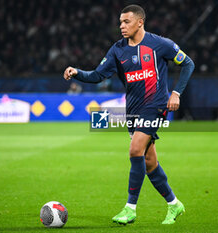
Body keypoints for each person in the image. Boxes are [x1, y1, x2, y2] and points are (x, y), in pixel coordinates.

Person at [63, 5, 194, 225]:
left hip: (155, 104)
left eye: (126, 22)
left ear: (140, 22)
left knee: (135, 149)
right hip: (133, 108)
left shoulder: (160, 44)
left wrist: (176, 93)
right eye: (120, 22)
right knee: (149, 161)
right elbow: (97, 75)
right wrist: (77, 73)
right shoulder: (117, 49)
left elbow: (188, 63)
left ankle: (130, 208)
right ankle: (174, 204)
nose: (121, 26)